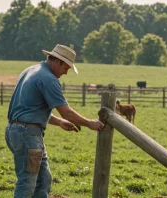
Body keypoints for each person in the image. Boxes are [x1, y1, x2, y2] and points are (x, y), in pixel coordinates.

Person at [5, 44, 104, 198]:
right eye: (66, 68)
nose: (66, 72)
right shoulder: (49, 79)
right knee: (27, 183)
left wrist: (59, 122)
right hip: (28, 136)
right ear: (57, 61)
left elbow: (31, 110)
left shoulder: (30, 71)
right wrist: (90, 123)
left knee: (43, 180)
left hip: (17, 131)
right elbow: (67, 112)